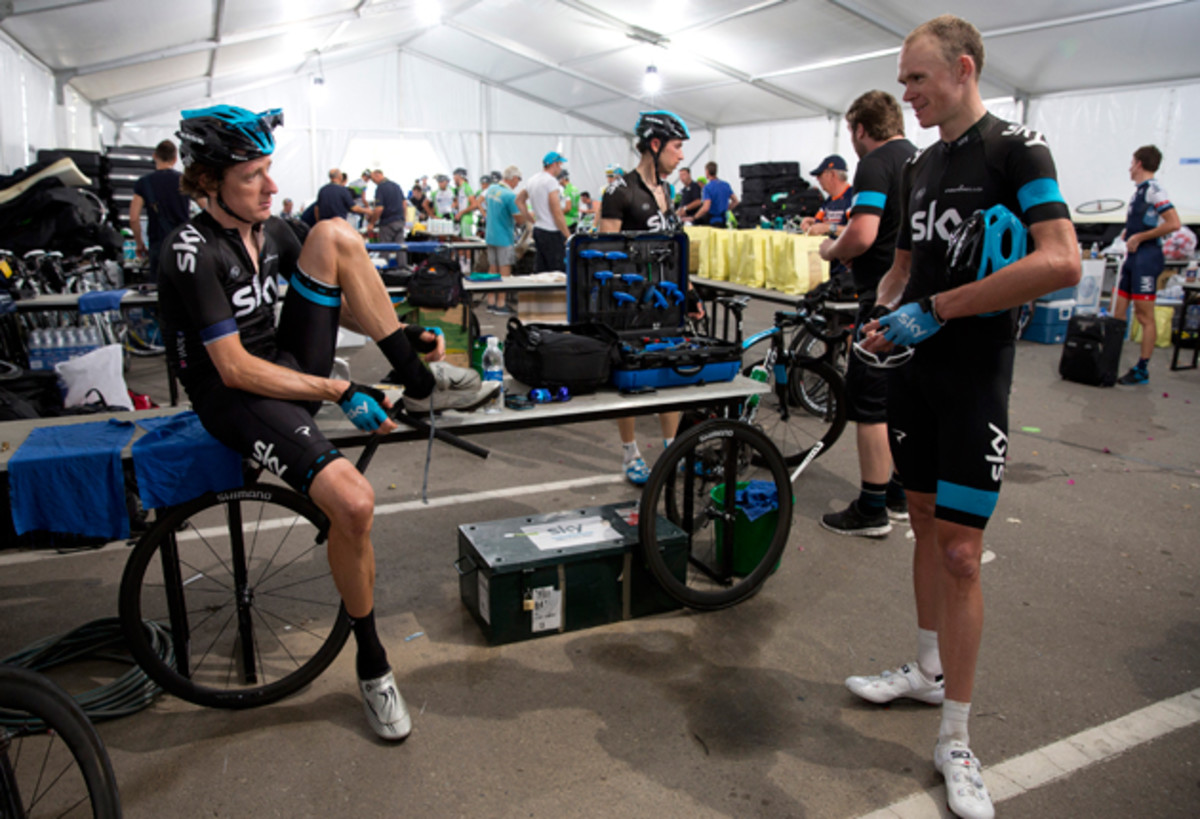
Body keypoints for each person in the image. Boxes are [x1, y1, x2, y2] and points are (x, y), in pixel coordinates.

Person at [159, 104, 499, 742]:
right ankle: (373, 666)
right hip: (237, 395)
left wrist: (400, 334)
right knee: (355, 502)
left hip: (288, 370)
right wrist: (343, 387)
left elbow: (331, 301)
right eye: (252, 177)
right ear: (207, 182)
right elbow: (233, 369)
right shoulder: (190, 249)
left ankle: (417, 379)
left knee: (335, 233)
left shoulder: (274, 229)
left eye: (268, 171)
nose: (271, 187)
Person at [852, 16, 1080, 819]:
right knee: (918, 518)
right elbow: (903, 268)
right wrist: (877, 314)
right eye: (905, 80)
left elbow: (1061, 259)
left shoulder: (1019, 149)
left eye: (918, 79)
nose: (906, 94)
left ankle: (956, 735)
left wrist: (938, 310)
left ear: (964, 68)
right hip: (914, 374)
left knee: (960, 554)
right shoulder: (916, 166)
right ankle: (925, 670)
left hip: (976, 380)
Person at [818, 91, 916, 537]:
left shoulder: (875, 164)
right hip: (916, 300)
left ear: (860, 128)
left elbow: (862, 232)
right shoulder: (919, 158)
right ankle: (896, 493)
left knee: (870, 404)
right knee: (900, 400)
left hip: (881, 298)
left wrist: (831, 250)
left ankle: (872, 508)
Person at [599, 111, 704, 484]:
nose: (681, 156)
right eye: (677, 147)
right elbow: (603, 253)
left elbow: (672, 248)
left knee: (670, 373)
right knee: (629, 382)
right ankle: (630, 455)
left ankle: (672, 449)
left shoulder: (667, 191)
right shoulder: (619, 191)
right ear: (655, 144)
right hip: (628, 306)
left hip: (666, 300)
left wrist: (689, 293)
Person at [1113, 145, 1181, 385]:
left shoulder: (1154, 190)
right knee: (1118, 312)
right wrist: (1129, 233)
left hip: (1147, 258)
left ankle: (1142, 368)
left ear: (1139, 164)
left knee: (1144, 316)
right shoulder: (1139, 192)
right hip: (1133, 258)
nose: (1130, 167)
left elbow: (1173, 223)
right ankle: (1109, 359)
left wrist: (1140, 237)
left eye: (1132, 162)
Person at [129, 139, 191, 283]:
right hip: (184, 243)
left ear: (154, 156)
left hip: (158, 244)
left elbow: (133, 218)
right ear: (175, 159)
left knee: (158, 292)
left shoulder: (143, 183)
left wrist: (140, 244)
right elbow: (205, 206)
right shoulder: (184, 180)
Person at [483, 166, 529, 313]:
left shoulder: (492, 189)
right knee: (504, 271)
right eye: (518, 180)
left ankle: (490, 301)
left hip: (490, 235)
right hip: (504, 237)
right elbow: (520, 220)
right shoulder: (510, 196)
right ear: (514, 178)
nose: (518, 183)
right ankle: (501, 304)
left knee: (492, 268)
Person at [516, 151, 570, 273]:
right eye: (560, 165)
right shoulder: (551, 182)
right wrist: (567, 235)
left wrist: (530, 219)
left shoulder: (532, 180)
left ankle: (541, 292)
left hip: (538, 229)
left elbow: (519, 201)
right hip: (551, 231)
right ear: (554, 164)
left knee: (541, 270)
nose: (560, 168)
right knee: (557, 272)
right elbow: (556, 211)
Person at [800, 155, 854, 237]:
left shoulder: (853, 197)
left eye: (819, 175)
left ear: (832, 175)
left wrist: (828, 228)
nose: (817, 179)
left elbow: (857, 231)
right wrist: (810, 222)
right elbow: (821, 222)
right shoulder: (829, 200)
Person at [692, 161, 738, 228]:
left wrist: (694, 217)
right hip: (725, 220)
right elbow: (735, 201)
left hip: (713, 221)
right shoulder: (726, 185)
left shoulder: (707, 187)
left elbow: (706, 208)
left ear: (707, 171)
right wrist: (726, 209)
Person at [369, 168, 407, 245]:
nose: (374, 182)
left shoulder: (380, 188)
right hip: (399, 221)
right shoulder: (396, 186)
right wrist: (404, 219)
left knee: (385, 248)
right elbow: (404, 203)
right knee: (401, 248)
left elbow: (379, 208)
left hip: (387, 223)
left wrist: (372, 223)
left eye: (373, 180)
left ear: (378, 175)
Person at [450, 167, 477, 239]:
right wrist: (455, 206)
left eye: (454, 176)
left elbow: (474, 204)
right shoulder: (459, 188)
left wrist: (461, 212)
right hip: (461, 218)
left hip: (467, 218)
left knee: (466, 242)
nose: (453, 179)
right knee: (460, 241)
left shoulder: (466, 187)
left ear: (459, 176)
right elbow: (461, 203)